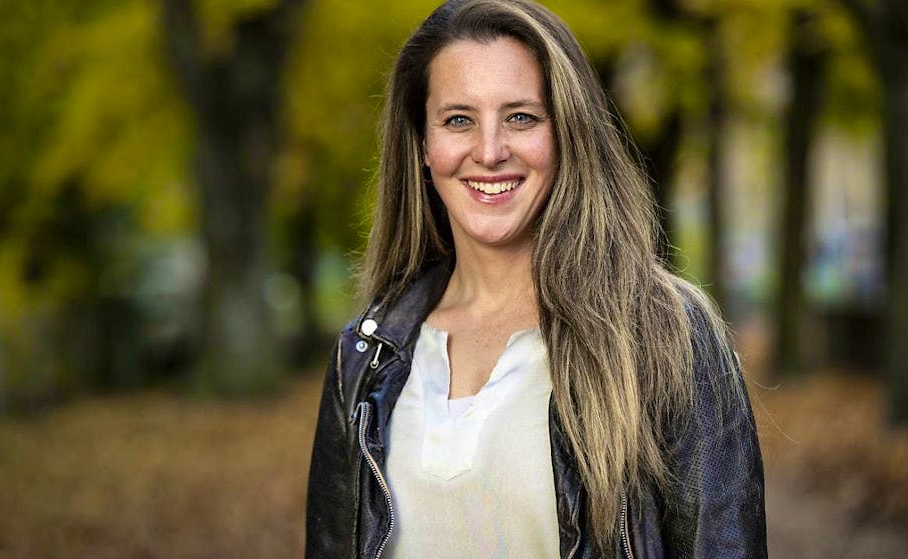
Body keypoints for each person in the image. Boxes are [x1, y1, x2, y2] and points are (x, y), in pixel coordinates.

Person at [305, 0, 767, 557]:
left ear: (564, 133)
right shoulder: (365, 357)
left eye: (521, 117)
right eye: (458, 120)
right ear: (423, 145)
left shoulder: (662, 334)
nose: (490, 151)